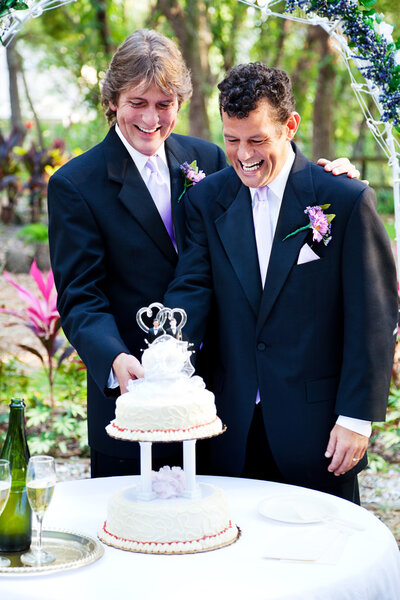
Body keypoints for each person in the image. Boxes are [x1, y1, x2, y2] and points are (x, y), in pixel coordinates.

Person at [48, 30, 361, 479]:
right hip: (133, 399)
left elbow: (265, 164)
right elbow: (80, 296)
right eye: (138, 102)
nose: (151, 118)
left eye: (165, 103)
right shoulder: (75, 184)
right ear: (113, 100)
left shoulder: (208, 158)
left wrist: (329, 179)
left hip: (216, 400)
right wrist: (116, 360)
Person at [164, 63, 398, 503]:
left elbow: (374, 315)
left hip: (320, 433)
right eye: (231, 140)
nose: (243, 156)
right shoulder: (205, 200)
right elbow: (192, 291)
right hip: (228, 429)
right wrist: (164, 360)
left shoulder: (344, 199)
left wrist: (357, 418)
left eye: (257, 140)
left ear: (289, 126)